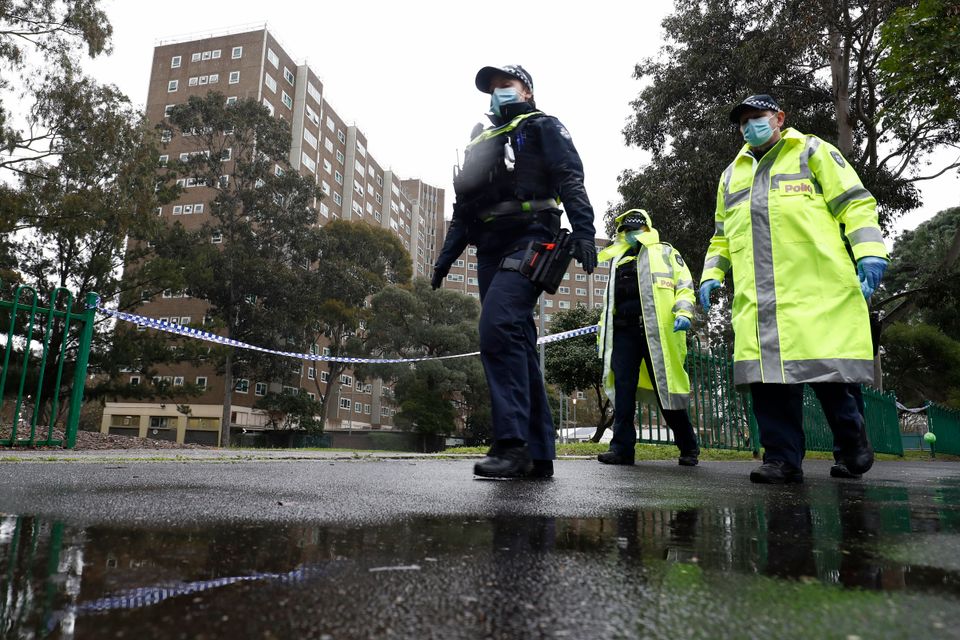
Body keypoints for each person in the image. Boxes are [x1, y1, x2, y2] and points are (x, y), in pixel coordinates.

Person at [699, 94, 889, 484]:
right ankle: (782, 459)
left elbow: (854, 203)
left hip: (818, 292)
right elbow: (721, 236)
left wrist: (868, 250)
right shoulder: (731, 174)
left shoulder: (812, 151)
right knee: (769, 386)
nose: (751, 125)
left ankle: (852, 444)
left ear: (779, 118)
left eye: (758, 117)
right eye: (744, 121)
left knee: (832, 378)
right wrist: (711, 274)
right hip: (760, 302)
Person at [432, 64, 597, 478]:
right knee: (519, 342)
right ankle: (539, 453)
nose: (496, 94)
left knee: (498, 326)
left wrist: (584, 231)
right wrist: (445, 258)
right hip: (489, 249)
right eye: (491, 90)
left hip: (532, 237)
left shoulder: (543, 126)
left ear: (526, 90)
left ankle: (510, 443)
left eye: (504, 86)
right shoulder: (480, 142)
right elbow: (463, 210)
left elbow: (569, 178)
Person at [596, 209, 700, 467]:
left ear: (647, 229)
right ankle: (621, 449)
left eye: (637, 230)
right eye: (627, 231)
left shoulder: (666, 252)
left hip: (657, 334)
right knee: (623, 392)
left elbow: (685, 285)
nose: (632, 234)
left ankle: (688, 447)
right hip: (623, 333)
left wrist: (685, 311)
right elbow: (610, 303)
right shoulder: (617, 259)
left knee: (666, 390)